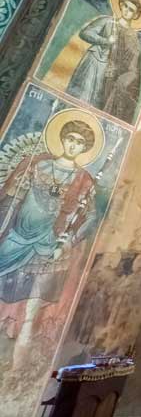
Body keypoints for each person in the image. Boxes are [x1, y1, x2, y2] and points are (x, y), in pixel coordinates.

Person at [0, 117, 99, 343]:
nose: (73, 145)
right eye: (70, 139)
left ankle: (13, 335)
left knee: (30, 293)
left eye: (80, 142)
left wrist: (68, 241)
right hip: (18, 233)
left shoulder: (84, 179)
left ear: (84, 148)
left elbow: (90, 216)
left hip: (48, 240)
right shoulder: (37, 163)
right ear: (62, 139)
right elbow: (11, 193)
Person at [67, 0, 141, 121]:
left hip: (110, 75)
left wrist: (124, 78)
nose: (127, 11)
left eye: (131, 10)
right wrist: (105, 41)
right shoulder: (107, 21)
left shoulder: (133, 38)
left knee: (97, 106)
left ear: (135, 15)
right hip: (94, 63)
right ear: (121, 6)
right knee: (82, 97)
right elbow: (85, 33)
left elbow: (133, 63)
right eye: (125, 6)